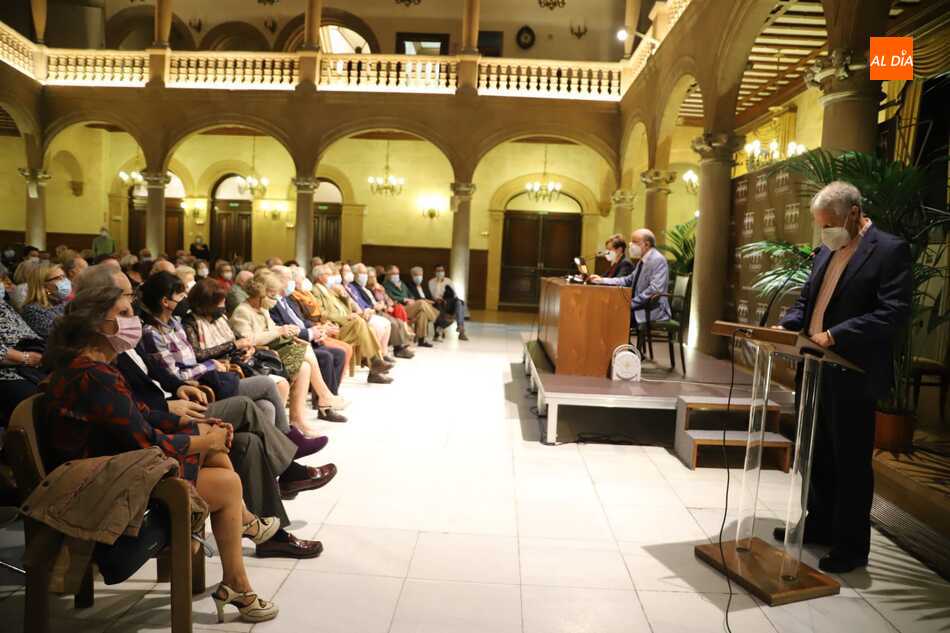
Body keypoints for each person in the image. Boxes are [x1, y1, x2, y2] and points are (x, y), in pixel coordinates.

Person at [40, 286, 280, 622]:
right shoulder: (93, 374)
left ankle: (241, 545)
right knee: (226, 482)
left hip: (114, 465)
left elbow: (136, 414)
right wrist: (204, 442)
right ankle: (240, 562)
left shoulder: (94, 365)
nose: (134, 321)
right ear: (99, 326)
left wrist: (187, 421)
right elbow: (144, 441)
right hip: (99, 488)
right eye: (124, 315)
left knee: (208, 441)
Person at [78, 264, 331, 558]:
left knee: (249, 440)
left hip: (166, 409)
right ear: (99, 309)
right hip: (141, 445)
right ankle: (287, 471)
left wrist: (180, 389)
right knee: (247, 404)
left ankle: (271, 537)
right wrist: (174, 409)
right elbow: (129, 413)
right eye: (125, 302)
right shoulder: (98, 358)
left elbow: (156, 375)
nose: (133, 306)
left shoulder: (123, 339)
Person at [775, 181, 912, 573]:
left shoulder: (889, 250)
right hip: (814, 367)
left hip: (852, 372)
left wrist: (837, 334)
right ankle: (818, 525)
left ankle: (851, 547)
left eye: (830, 223)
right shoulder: (826, 250)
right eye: (821, 225)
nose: (825, 232)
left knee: (850, 462)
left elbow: (893, 312)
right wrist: (790, 324)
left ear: (854, 213)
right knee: (816, 455)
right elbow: (808, 300)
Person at [230, 273, 347, 426]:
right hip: (257, 358)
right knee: (305, 350)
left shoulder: (263, 309)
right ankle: (324, 395)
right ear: (261, 294)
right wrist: (280, 331)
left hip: (269, 352)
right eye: (272, 295)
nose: (275, 300)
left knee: (304, 364)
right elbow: (248, 340)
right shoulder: (242, 311)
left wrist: (289, 332)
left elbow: (272, 329)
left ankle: (298, 420)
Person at [309, 265, 393, 382]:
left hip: (345, 322)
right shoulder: (316, 290)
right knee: (359, 322)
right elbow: (323, 313)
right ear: (319, 277)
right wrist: (346, 318)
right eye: (329, 275)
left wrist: (346, 297)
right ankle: (374, 362)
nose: (332, 277)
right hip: (335, 326)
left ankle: (374, 364)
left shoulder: (331, 290)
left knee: (363, 324)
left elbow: (345, 307)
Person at [589, 228, 670, 325]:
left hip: (652, 309)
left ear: (647, 244)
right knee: (607, 311)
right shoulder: (642, 260)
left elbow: (655, 290)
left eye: (635, 242)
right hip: (640, 306)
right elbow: (628, 280)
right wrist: (602, 280)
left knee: (613, 315)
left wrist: (630, 304)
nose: (631, 245)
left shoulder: (657, 259)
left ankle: (616, 340)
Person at [348, 262, 414, 358]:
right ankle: (395, 349)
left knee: (398, 321)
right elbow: (366, 303)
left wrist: (382, 299)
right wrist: (377, 306)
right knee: (392, 323)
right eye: (363, 274)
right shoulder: (356, 287)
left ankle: (392, 349)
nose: (368, 277)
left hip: (379, 309)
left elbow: (386, 300)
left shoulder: (372, 287)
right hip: (371, 312)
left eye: (367, 274)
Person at [0, 281, 41, 426]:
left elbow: (27, 333)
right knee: (38, 402)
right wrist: (27, 358)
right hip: (7, 373)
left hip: (29, 364)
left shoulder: (4, 306)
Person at [384, 265, 439, 347]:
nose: (396, 275)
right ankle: (436, 318)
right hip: (399, 308)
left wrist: (411, 300)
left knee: (422, 313)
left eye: (397, 273)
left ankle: (421, 340)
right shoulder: (386, 285)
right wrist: (404, 299)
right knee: (421, 302)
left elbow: (411, 295)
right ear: (388, 274)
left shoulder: (402, 284)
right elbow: (390, 297)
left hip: (408, 307)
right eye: (394, 273)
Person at [20, 262, 71, 339]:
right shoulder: (32, 310)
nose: (65, 281)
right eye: (58, 278)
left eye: (64, 276)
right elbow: (60, 336)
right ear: (43, 285)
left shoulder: (64, 302)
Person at [424, 265, 469, 341]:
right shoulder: (431, 282)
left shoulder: (448, 281)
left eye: (442, 271)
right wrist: (438, 283)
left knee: (459, 303)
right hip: (437, 303)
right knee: (439, 304)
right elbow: (433, 296)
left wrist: (447, 299)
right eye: (438, 271)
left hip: (449, 302)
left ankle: (460, 329)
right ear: (434, 272)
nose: (440, 272)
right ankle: (440, 329)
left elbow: (454, 294)